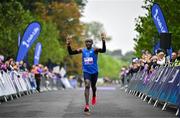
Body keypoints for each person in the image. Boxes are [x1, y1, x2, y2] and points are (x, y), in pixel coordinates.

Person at [66, 33, 106, 112]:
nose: (87, 43)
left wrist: (103, 41)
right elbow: (71, 53)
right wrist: (68, 45)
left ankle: (94, 94)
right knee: (87, 85)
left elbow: (104, 50)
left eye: (89, 42)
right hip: (86, 71)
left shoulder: (95, 50)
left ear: (92, 43)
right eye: (86, 42)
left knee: (93, 86)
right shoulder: (82, 50)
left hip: (94, 71)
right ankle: (87, 105)